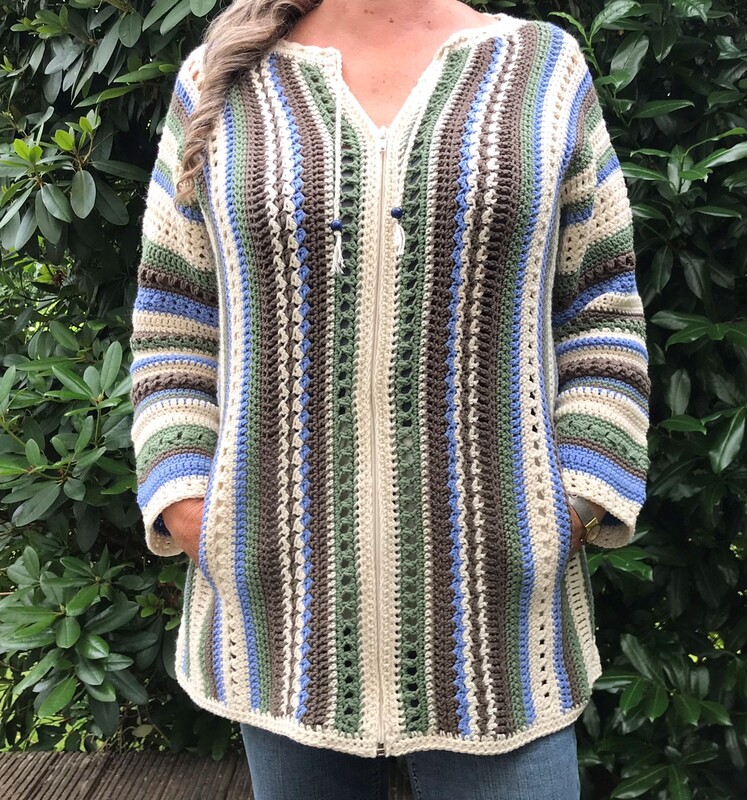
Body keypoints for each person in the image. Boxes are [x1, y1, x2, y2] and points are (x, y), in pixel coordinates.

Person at [128, 0, 651, 797]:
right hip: (279, 619)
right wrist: (191, 505)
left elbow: (601, 309)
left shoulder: (543, 69)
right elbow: (173, 319)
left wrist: (572, 504)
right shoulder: (221, 79)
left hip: (497, 630)